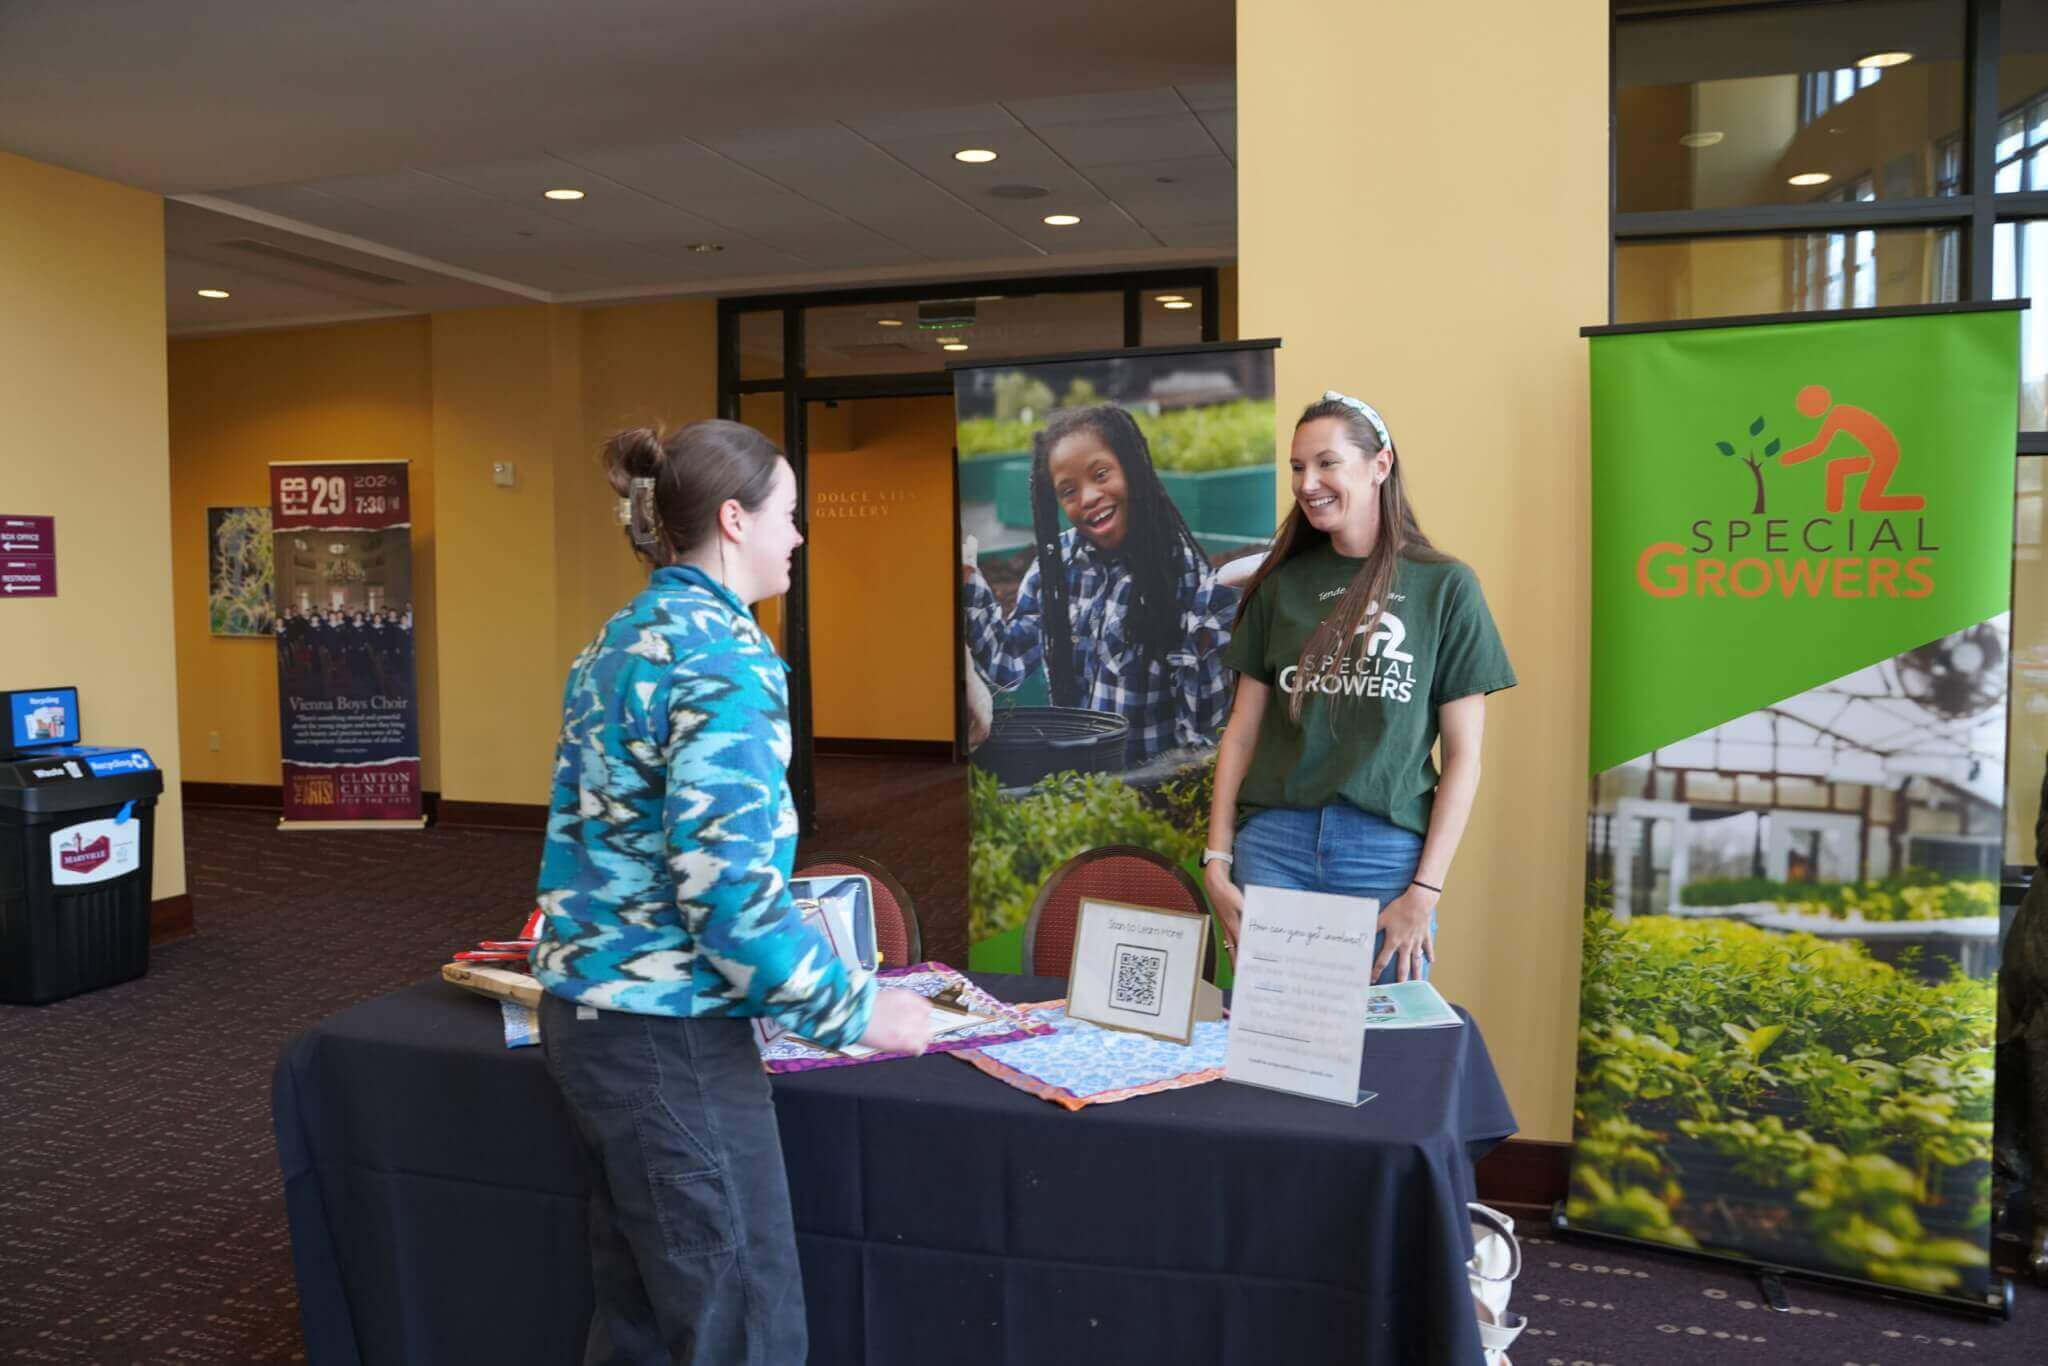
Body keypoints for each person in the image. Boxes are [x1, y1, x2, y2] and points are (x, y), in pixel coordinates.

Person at [530, 420, 934, 1365]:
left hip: (589, 1024)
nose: (798, 537)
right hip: (668, 1044)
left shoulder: (619, 639)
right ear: (733, 519)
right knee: (743, 1332)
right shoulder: (725, 663)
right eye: (789, 516)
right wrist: (863, 1010)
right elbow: (731, 905)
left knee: (639, 1323)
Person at [1204, 392, 1515, 985]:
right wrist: (1217, 862)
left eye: (1326, 463)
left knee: (1390, 1055)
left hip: (1385, 857)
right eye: (1297, 466)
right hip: (1273, 848)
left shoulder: (1444, 586)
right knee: (1272, 1054)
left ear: (1380, 465)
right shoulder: (1279, 585)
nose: (1307, 482)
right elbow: (1240, 736)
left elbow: (1465, 756)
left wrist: (1424, 889)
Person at [962, 403, 1237, 764]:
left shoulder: (1178, 572)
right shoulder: (1056, 567)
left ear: (1132, 469)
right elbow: (1005, 663)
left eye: (1101, 474)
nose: (1088, 497)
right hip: (1079, 788)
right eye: (1068, 491)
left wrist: (1211, 628)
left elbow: (1205, 723)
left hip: (1149, 785)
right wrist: (968, 577)